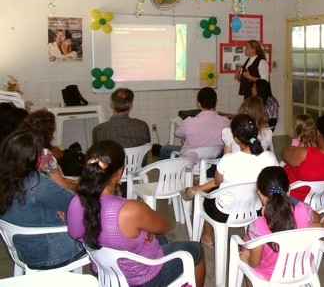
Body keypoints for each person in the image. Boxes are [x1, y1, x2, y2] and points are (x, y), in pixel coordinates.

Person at [67, 140, 206, 286]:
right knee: (196, 250)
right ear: (119, 172)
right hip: (143, 279)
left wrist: (143, 230)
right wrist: (144, 225)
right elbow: (165, 226)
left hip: (106, 273)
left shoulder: (75, 202)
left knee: (160, 238)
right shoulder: (130, 210)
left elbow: (77, 233)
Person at [180, 114, 278, 246]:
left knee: (209, 196)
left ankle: (207, 237)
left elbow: (217, 182)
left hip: (224, 212)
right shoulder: (270, 158)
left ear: (236, 139)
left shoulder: (228, 160)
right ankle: (195, 190)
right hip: (254, 210)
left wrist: (198, 188)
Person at [0, 130, 85, 270]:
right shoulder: (37, 183)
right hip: (50, 253)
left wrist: (61, 208)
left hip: (22, 250)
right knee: (97, 222)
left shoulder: (6, 179)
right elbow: (76, 204)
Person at [239, 166, 322, 282]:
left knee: (246, 245)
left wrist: (245, 257)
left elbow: (255, 263)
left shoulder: (257, 226)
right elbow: (317, 219)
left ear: (260, 194)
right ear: (288, 191)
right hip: (301, 268)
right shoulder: (304, 210)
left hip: (271, 275)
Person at [159, 87, 230, 160]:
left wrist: (185, 140)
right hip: (213, 163)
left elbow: (177, 133)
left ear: (198, 104)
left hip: (189, 161)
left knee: (164, 149)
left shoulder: (189, 122)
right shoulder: (226, 122)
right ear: (217, 102)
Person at [19, 109, 78, 192]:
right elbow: (62, 186)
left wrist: (72, 181)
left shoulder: (21, 148)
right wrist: (81, 185)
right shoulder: (44, 155)